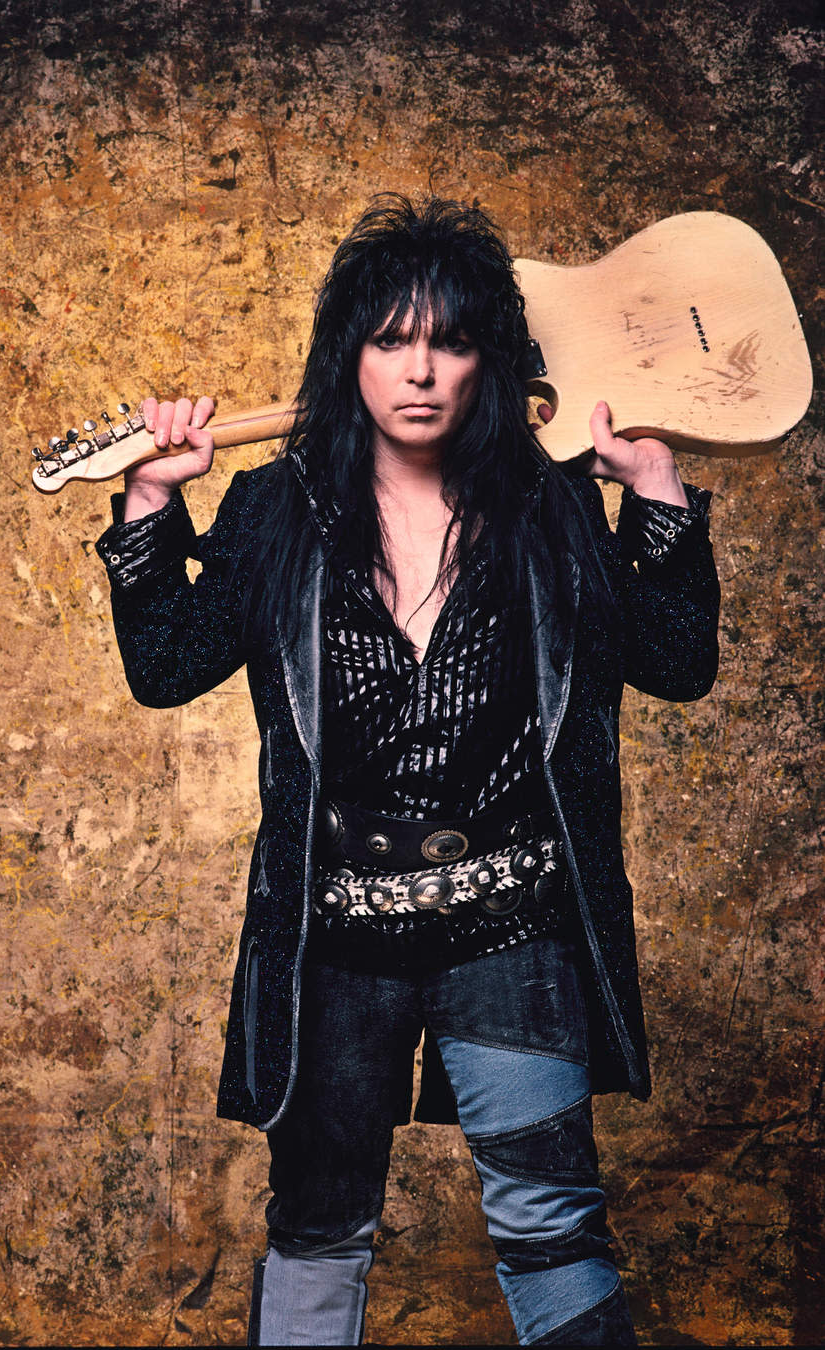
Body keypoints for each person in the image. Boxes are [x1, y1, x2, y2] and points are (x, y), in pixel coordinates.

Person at [96, 196, 719, 1346]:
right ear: (351, 355)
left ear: (492, 357)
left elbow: (680, 665)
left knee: (550, 1221)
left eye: (452, 340)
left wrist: (656, 493)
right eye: (390, 339)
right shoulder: (277, 505)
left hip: (514, 927)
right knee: (320, 1225)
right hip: (332, 940)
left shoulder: (553, 504)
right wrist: (149, 505)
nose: (420, 371)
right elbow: (168, 668)